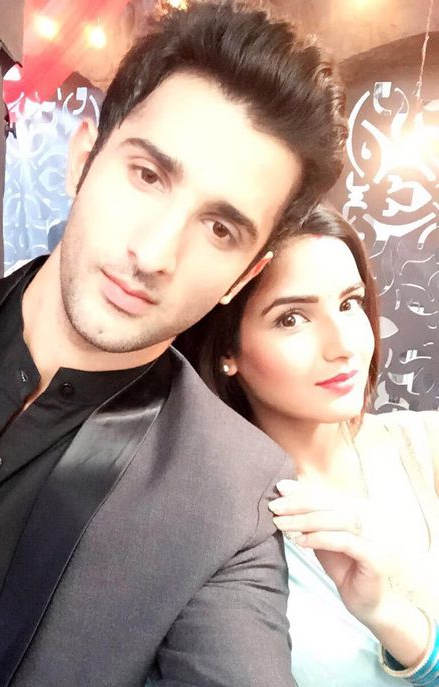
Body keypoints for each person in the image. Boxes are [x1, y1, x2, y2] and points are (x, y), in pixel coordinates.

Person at [0, 4, 346, 686]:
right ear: (83, 160)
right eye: (147, 175)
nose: (155, 253)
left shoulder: (230, 502)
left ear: (242, 276)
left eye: (220, 229)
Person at [179, 206, 439, 686]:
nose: (343, 345)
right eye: (292, 318)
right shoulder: (205, 526)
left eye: (350, 303)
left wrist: (389, 616)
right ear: (227, 351)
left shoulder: (428, 447)